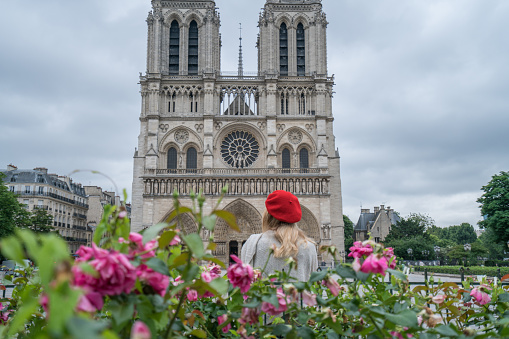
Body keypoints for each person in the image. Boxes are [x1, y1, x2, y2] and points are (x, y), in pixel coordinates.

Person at [241, 190, 318, 282]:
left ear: (268, 216)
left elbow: (245, 280)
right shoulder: (309, 247)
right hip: (297, 296)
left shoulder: (254, 242)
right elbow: (314, 282)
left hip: (263, 296)